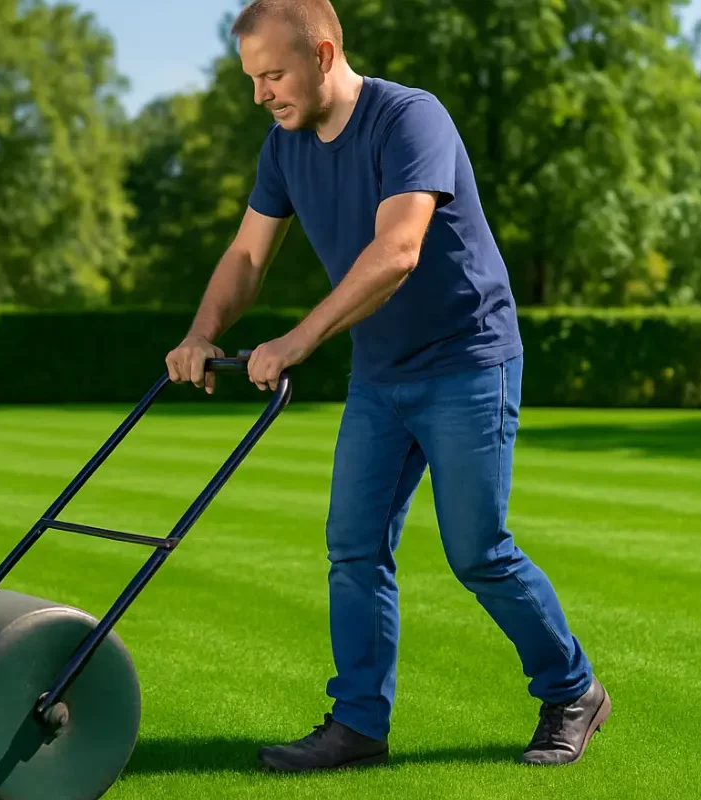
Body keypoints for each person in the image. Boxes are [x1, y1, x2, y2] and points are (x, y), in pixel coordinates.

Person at [163, 0, 610, 772]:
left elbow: (398, 250)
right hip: (381, 374)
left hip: (469, 358)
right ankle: (359, 724)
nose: (261, 94)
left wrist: (297, 339)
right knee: (354, 546)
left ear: (324, 54)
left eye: (273, 74)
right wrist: (203, 333)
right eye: (253, 78)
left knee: (478, 552)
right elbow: (245, 257)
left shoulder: (411, 119)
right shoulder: (284, 147)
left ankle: (573, 690)